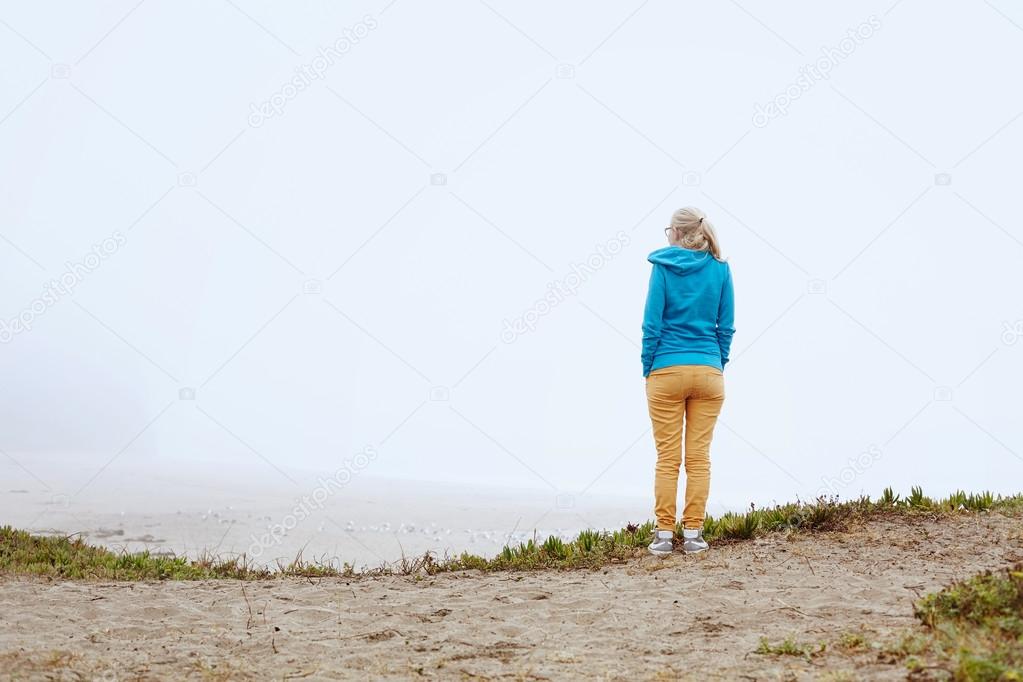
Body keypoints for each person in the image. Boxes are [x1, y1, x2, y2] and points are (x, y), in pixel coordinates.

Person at [642, 207, 734, 556]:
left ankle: (664, 536)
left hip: (666, 370)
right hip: (709, 373)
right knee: (699, 458)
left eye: (669, 230)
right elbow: (725, 327)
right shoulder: (721, 270)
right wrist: (717, 363)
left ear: (677, 234)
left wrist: (648, 368)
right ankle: (694, 535)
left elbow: (652, 325)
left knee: (668, 458)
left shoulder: (663, 268)